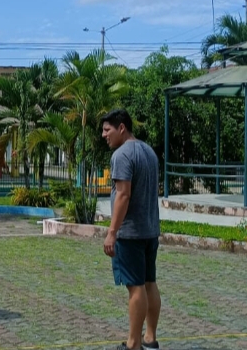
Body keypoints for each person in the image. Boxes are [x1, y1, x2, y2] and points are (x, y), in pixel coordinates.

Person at [100, 109, 162, 350]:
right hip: (150, 231)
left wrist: (112, 232)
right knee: (149, 283)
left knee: (135, 287)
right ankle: (150, 338)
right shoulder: (149, 152)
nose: (104, 135)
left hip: (130, 234)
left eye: (107, 130)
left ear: (122, 128)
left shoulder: (122, 155)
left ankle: (133, 344)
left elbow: (123, 195)